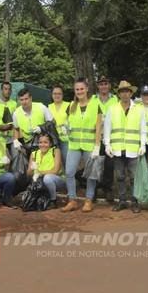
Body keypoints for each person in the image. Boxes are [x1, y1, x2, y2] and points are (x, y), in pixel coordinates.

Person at [104, 80, 147, 213]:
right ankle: (122, 201)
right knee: (120, 177)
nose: (124, 94)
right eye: (122, 91)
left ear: (130, 93)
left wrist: (143, 144)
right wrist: (107, 144)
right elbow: (107, 128)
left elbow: (143, 129)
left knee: (134, 178)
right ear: (119, 94)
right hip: (117, 149)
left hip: (133, 149)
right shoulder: (113, 108)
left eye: (127, 91)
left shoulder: (139, 109)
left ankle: (135, 202)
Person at [61, 77, 103, 213]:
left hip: (90, 145)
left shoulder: (95, 105)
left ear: (87, 89)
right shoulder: (71, 106)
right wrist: (65, 127)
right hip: (73, 144)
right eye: (77, 89)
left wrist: (97, 146)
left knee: (91, 174)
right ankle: (72, 200)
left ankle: (89, 200)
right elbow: (68, 123)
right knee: (69, 172)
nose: (79, 91)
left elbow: (98, 127)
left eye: (81, 89)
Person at [91, 76, 118, 202]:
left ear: (109, 86)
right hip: (96, 135)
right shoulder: (93, 99)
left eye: (106, 84)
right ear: (98, 86)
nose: (103, 86)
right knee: (95, 163)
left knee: (109, 164)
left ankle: (107, 189)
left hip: (110, 136)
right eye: (101, 84)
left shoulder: (115, 99)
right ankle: (95, 188)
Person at [27, 133, 64, 209]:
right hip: (41, 182)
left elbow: (55, 171)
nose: (42, 145)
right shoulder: (34, 153)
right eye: (40, 142)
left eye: (45, 142)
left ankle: (53, 201)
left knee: (47, 178)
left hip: (57, 181)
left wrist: (39, 173)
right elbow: (28, 173)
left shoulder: (55, 151)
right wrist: (32, 168)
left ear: (50, 144)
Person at [48, 85, 70, 169]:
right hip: (53, 139)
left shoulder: (68, 105)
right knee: (54, 163)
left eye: (59, 94)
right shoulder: (49, 107)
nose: (57, 95)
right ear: (52, 95)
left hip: (65, 139)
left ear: (62, 95)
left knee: (67, 162)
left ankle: (70, 180)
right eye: (55, 93)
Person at [0, 81, 18, 149]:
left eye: (9, 89)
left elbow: (16, 120)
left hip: (11, 138)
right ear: (1, 90)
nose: (8, 91)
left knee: (16, 154)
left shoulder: (14, 104)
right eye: (5, 89)